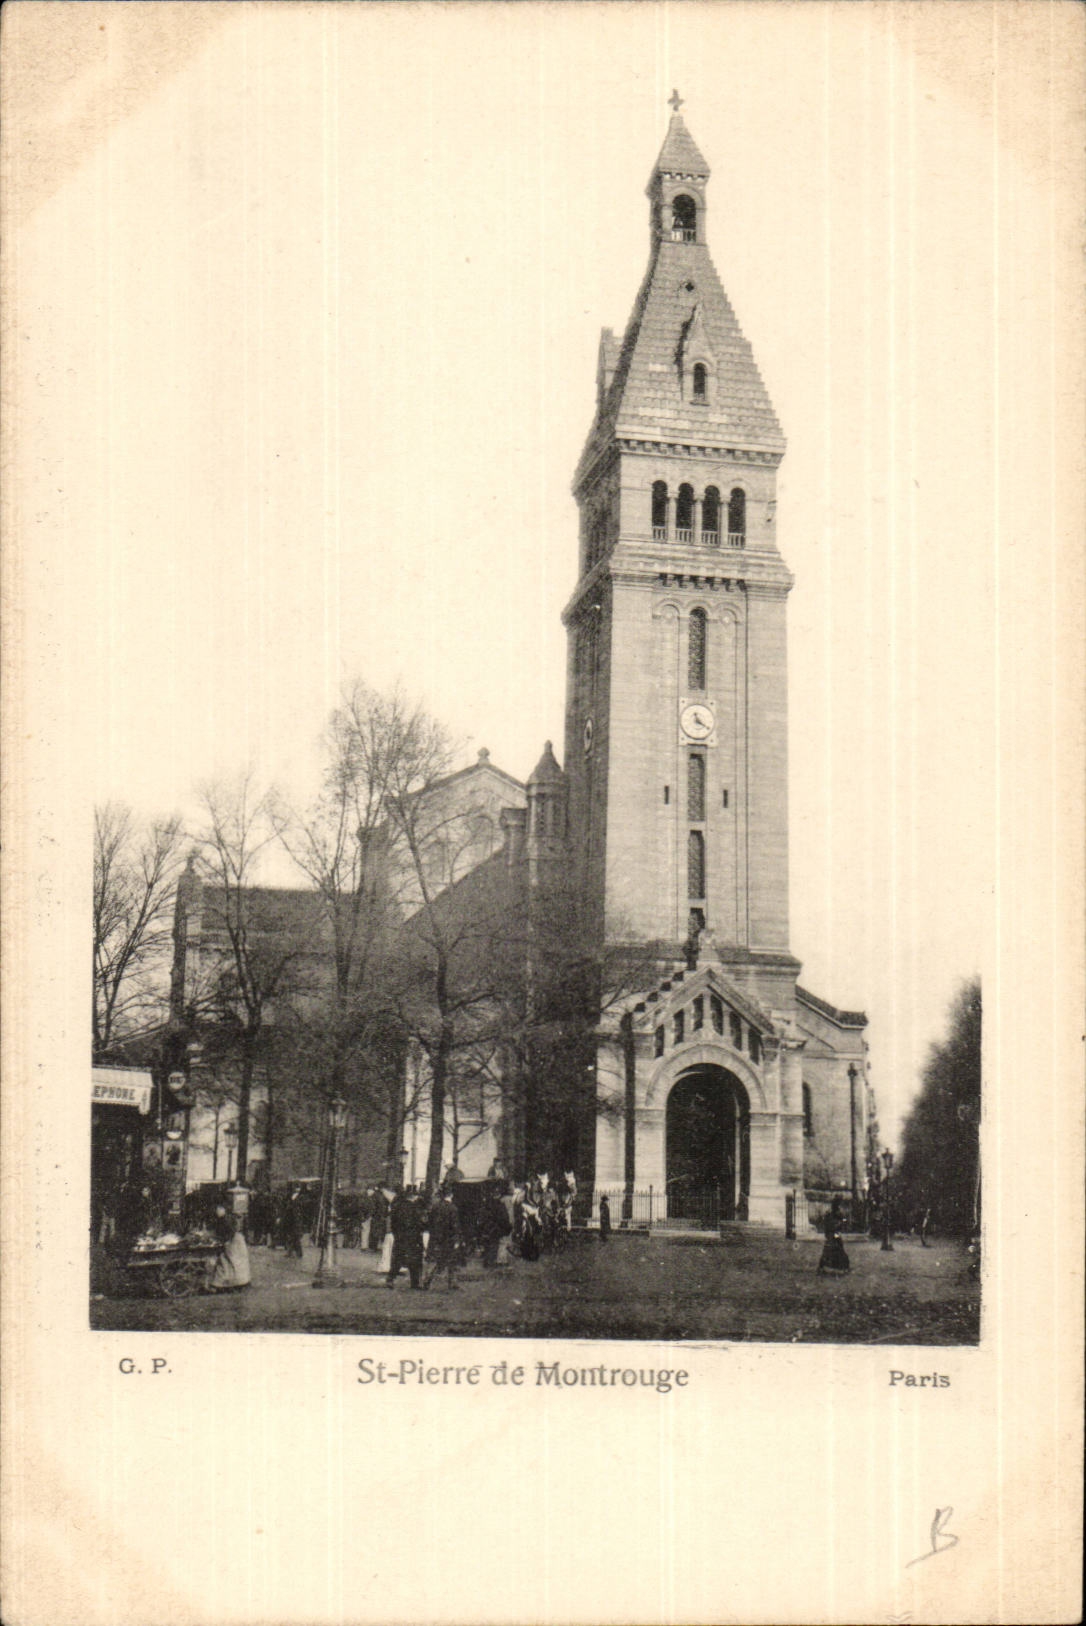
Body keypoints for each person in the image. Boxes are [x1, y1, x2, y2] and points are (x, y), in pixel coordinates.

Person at [386, 1187, 425, 1289]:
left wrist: (396, 1234)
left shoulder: (398, 1206)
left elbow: (393, 1223)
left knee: (398, 1259)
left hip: (400, 1237)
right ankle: (415, 1283)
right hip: (413, 1237)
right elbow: (420, 1223)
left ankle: (390, 1279)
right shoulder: (415, 1208)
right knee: (415, 1260)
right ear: (414, 1196)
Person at [424, 1187, 461, 1290]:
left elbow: (430, 1222)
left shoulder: (435, 1207)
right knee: (451, 1260)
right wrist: (457, 1239)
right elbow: (455, 1225)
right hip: (448, 1239)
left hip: (435, 1238)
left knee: (435, 1260)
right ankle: (452, 1282)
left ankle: (427, 1280)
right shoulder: (453, 1208)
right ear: (451, 1195)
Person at [209, 1205, 251, 1291]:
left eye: (219, 1210)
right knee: (230, 1262)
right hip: (232, 1241)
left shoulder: (227, 1219)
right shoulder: (221, 1219)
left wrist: (222, 1240)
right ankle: (232, 1283)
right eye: (217, 1210)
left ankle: (236, 1282)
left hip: (234, 1242)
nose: (218, 1212)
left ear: (223, 1210)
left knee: (233, 1261)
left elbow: (230, 1233)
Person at [477, 1186, 512, 1269]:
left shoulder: (486, 1204)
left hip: (487, 1229)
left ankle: (487, 1263)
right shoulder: (500, 1205)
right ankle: (493, 1263)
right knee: (495, 1246)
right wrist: (507, 1228)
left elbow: (481, 1217)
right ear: (499, 1195)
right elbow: (504, 1218)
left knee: (488, 1246)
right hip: (496, 1229)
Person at [816, 1199, 850, 1276]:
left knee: (831, 1249)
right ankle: (843, 1267)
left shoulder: (834, 1214)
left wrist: (842, 1222)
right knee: (836, 1249)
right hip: (833, 1234)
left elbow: (842, 1222)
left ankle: (824, 1266)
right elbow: (836, 1223)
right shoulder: (834, 1214)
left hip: (833, 1234)